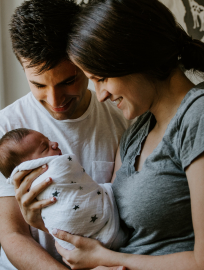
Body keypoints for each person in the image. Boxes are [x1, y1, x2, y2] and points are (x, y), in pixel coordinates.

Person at [28, 0, 203, 269]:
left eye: (102, 78)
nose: (100, 96)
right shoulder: (138, 129)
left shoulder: (197, 115)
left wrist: (108, 259)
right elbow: (110, 221)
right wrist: (45, 217)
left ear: (137, 57)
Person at [0, 0, 129, 269]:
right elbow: (13, 235)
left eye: (68, 81)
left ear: (85, 62)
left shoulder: (121, 120)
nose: (55, 99)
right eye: (38, 84)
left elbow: (122, 216)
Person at [0, 128, 127, 251]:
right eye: (45, 147)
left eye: (48, 140)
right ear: (30, 166)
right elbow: (12, 236)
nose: (54, 143)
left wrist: (40, 223)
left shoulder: (120, 123)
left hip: (81, 250)